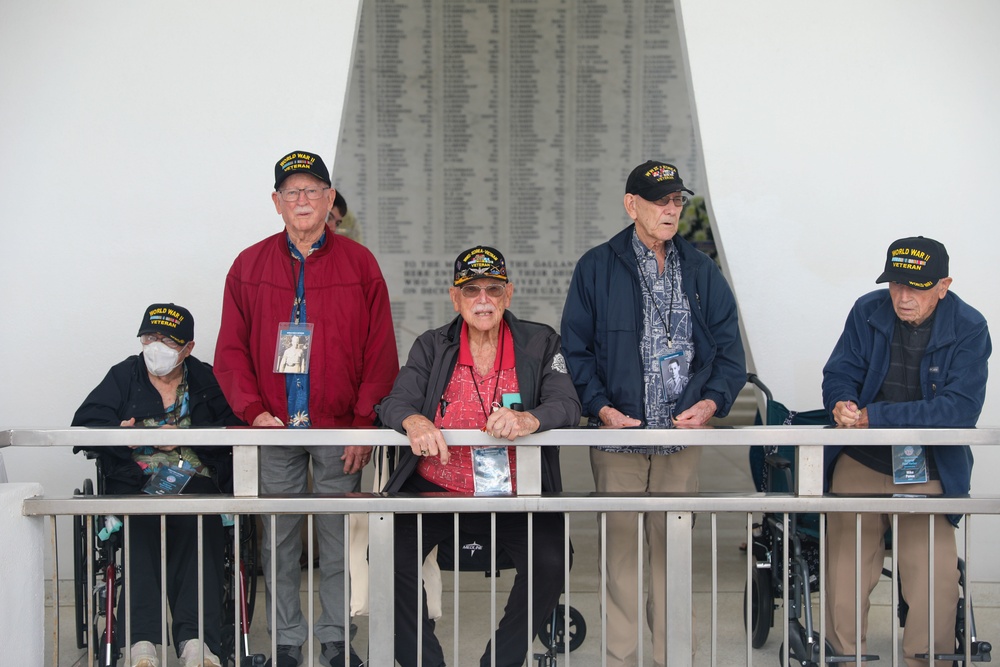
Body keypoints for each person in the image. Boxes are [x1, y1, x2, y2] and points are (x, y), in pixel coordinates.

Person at [214, 150, 399, 667]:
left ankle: (337, 640)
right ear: (276, 202)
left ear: (329, 199)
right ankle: (288, 643)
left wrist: (365, 424)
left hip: (339, 426)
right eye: (292, 192)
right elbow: (229, 351)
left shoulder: (360, 265)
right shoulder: (248, 266)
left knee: (339, 539)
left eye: (313, 190)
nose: (302, 200)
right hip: (273, 428)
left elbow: (380, 352)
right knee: (278, 541)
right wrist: (253, 413)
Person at [560, 160, 746, 667]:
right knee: (620, 564)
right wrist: (599, 408)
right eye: (659, 201)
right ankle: (620, 660)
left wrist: (711, 402)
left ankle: (672, 659)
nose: (670, 210)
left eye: (676, 202)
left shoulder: (702, 269)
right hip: (619, 439)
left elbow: (730, 354)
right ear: (631, 204)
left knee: (673, 562)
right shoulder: (596, 267)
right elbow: (573, 352)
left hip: (680, 444)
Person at [376, 245, 581, 667]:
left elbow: (567, 403)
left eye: (493, 289)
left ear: (508, 295)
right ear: (456, 298)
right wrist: (414, 421)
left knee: (552, 558)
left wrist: (529, 420)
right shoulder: (432, 345)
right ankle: (423, 661)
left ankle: (501, 661)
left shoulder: (540, 341)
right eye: (471, 290)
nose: (483, 299)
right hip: (436, 487)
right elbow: (395, 402)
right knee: (385, 555)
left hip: (514, 490)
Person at [822, 236, 990, 666]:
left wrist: (874, 417)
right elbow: (840, 370)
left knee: (932, 576)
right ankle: (846, 658)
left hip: (926, 464)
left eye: (915, 286)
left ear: (943, 285)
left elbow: (959, 410)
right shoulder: (867, 310)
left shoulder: (969, 327)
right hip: (862, 457)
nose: (902, 296)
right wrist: (841, 402)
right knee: (845, 572)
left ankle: (926, 659)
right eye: (895, 284)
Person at [72, 303, 241, 667]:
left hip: (195, 480)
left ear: (188, 348)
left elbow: (233, 430)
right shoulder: (123, 375)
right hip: (136, 480)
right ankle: (142, 642)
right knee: (140, 523)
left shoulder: (207, 379)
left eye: (166, 339)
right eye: (150, 337)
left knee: (202, 522)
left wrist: (185, 436)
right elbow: (86, 423)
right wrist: (123, 435)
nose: (155, 346)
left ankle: (197, 642)